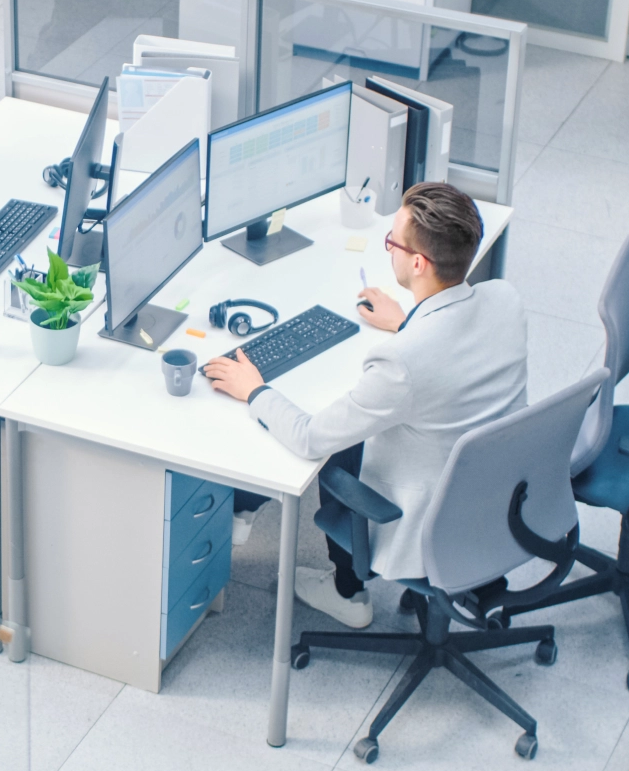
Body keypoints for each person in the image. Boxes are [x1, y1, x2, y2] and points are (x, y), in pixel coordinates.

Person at [205, 183, 529, 629]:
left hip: (427, 526)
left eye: (392, 241)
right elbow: (453, 350)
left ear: (418, 263)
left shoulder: (401, 362)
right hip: (498, 501)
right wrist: (407, 323)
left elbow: (310, 436)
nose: (389, 249)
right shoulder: (505, 299)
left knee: (323, 441)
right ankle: (245, 505)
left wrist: (254, 390)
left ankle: (347, 592)